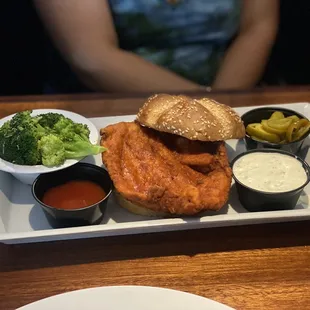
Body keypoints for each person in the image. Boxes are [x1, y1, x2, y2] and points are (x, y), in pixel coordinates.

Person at [34, 0, 279, 93]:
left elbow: (257, 26)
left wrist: (224, 104)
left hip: (233, 89)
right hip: (109, 99)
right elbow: (93, 57)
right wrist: (204, 106)